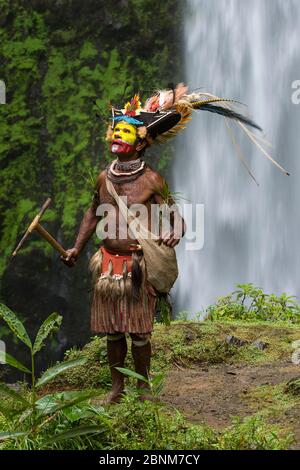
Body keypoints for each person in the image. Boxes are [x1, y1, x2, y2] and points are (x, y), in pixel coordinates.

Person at [61, 84, 264, 403]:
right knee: (113, 331)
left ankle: (142, 387)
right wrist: (75, 247)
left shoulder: (152, 180)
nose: (117, 135)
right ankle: (117, 388)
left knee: (139, 332)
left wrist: (177, 232)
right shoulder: (104, 178)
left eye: (125, 131)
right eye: (116, 130)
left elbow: (176, 218)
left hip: (138, 266)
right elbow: (91, 213)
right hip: (108, 265)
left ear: (141, 141)